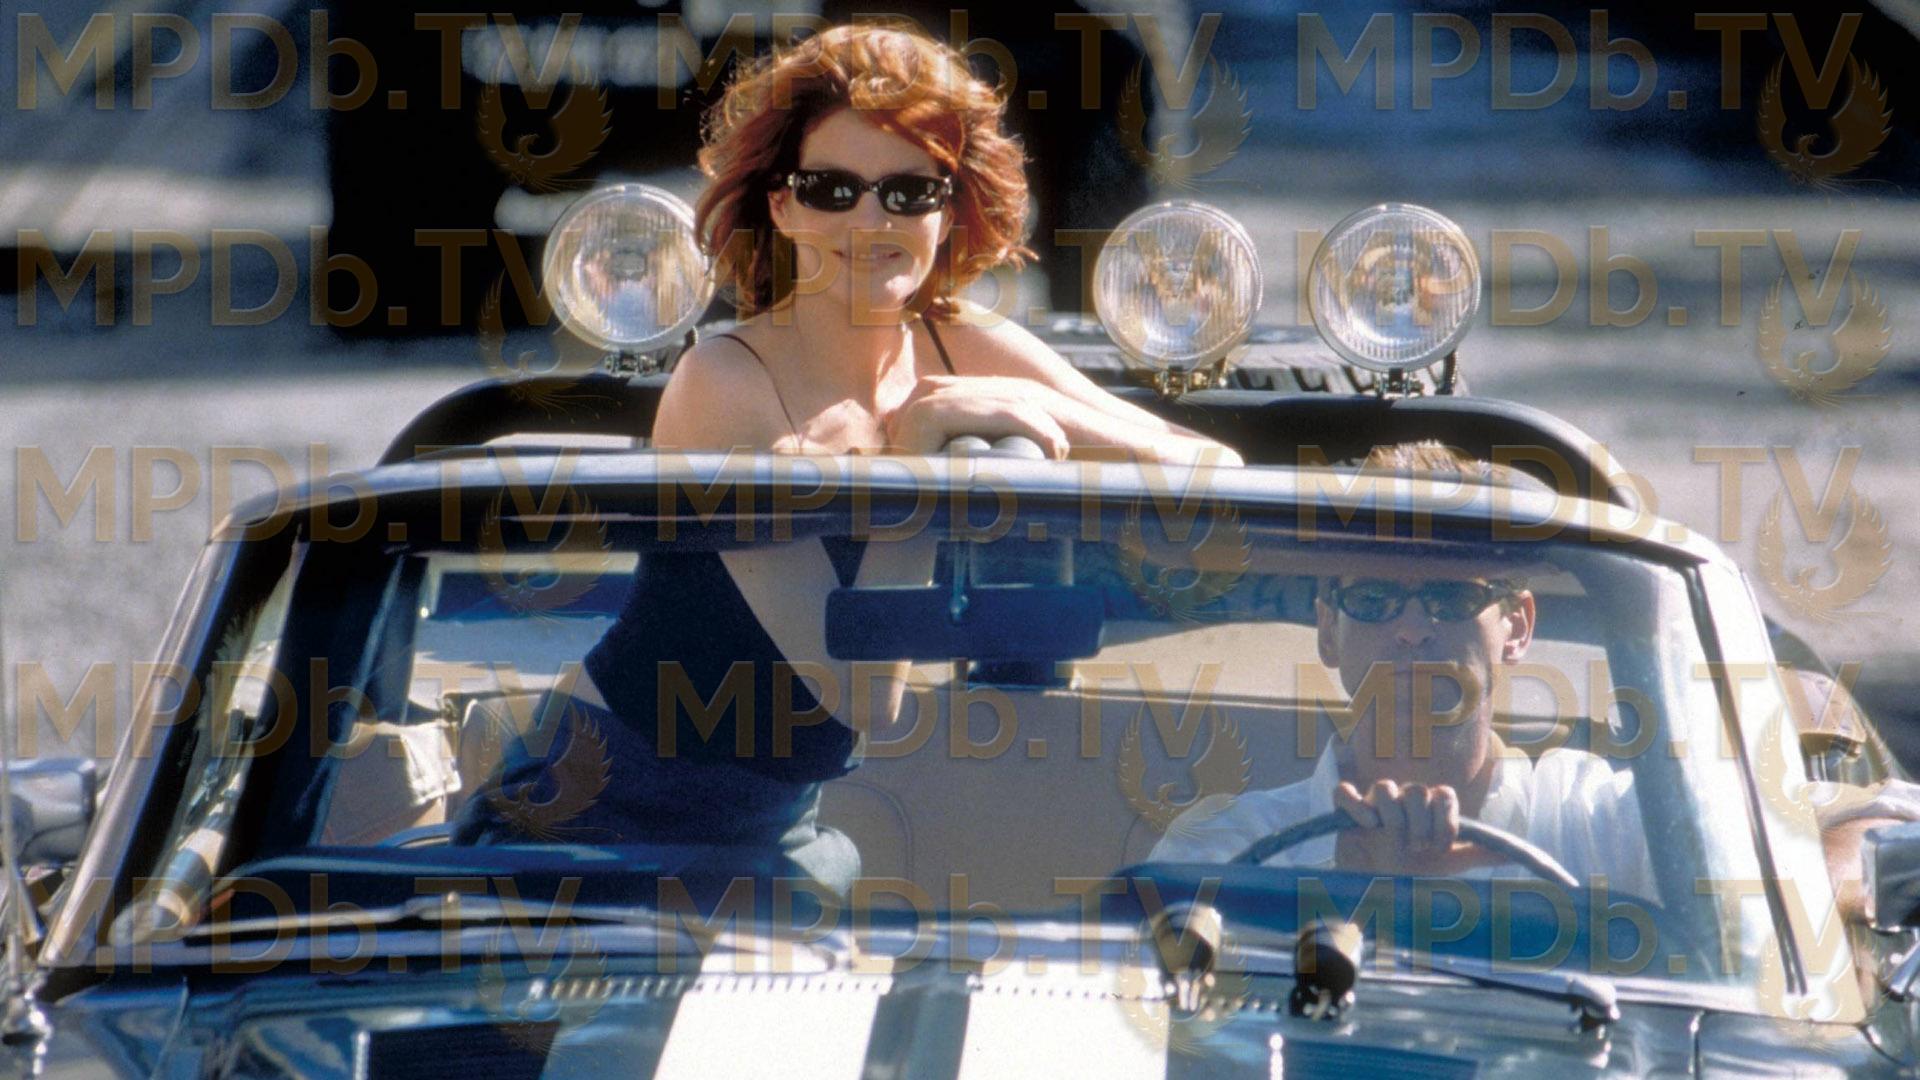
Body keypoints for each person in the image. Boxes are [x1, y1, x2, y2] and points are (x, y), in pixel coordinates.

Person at [453, 24, 1242, 889]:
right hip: (595, 820)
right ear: (781, 207)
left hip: (773, 829)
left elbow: (1210, 470)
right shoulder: (726, 383)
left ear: (950, 210)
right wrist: (918, 467)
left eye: (910, 190)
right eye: (831, 189)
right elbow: (856, 692)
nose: (871, 221)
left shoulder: (960, 346)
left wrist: (1033, 409)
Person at [1150, 443, 1655, 896]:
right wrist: (1378, 893)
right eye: (1373, 599)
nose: (1412, 629)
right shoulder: (1223, 847)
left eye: (1451, 597)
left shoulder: (1598, 824)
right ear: (1328, 631)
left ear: (1516, 626)